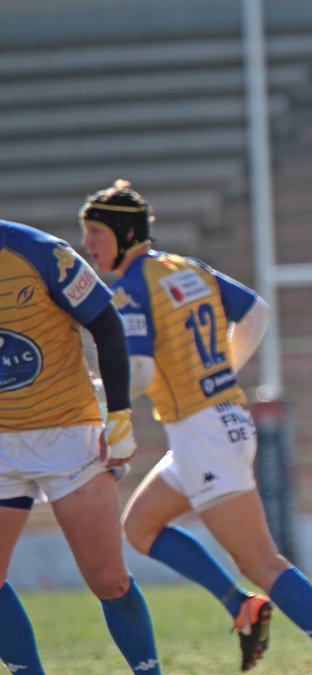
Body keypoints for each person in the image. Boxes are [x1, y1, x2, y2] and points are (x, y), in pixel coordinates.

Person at [78, 180, 312, 675]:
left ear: (125, 232)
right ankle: (241, 604)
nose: (87, 244)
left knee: (264, 562)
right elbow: (256, 312)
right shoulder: (186, 268)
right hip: (215, 424)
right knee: (141, 526)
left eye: (93, 232)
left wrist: (98, 389)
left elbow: (144, 373)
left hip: (203, 434)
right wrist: (221, 372)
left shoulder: (131, 289)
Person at [0, 220, 161, 674]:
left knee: (109, 580)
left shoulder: (39, 253)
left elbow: (107, 327)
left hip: (67, 433)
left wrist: (120, 415)